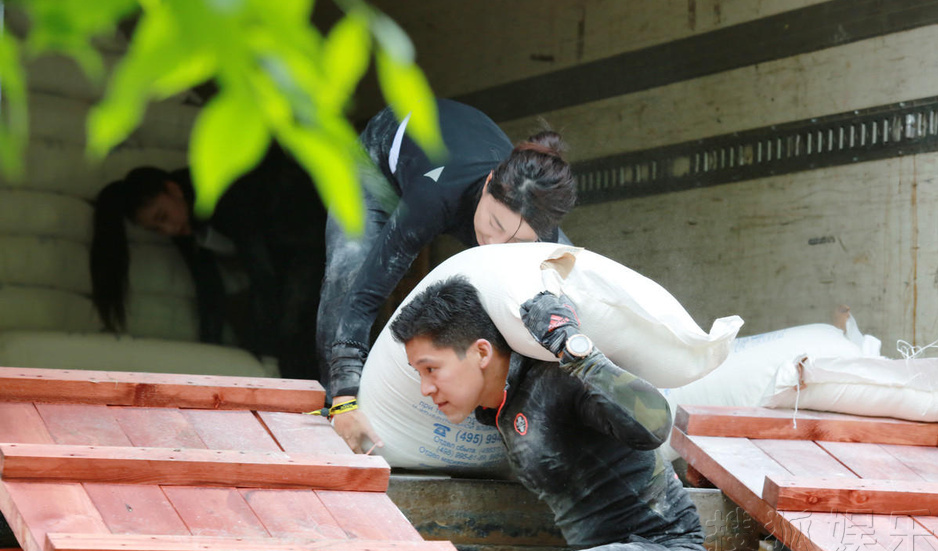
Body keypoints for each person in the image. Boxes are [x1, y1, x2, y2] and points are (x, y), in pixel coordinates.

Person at [389, 276, 712, 551]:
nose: (426, 388)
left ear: (481, 352)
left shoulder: (557, 379)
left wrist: (571, 345)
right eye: (419, 374)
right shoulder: (498, 409)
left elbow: (655, 423)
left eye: (432, 369)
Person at [318, 98, 578, 452]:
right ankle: (332, 404)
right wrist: (345, 397)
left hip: (457, 152)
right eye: (494, 224)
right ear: (488, 184)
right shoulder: (435, 196)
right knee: (347, 271)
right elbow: (364, 295)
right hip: (377, 165)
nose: (495, 245)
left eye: (516, 240)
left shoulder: (541, 235)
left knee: (558, 286)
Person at [90, 144, 326, 380]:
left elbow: (263, 274)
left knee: (291, 327)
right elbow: (208, 289)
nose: (168, 229)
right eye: (156, 228)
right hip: (285, 254)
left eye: (162, 217)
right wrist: (208, 356)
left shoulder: (221, 191)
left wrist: (269, 357)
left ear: (174, 189)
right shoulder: (183, 221)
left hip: (314, 233)